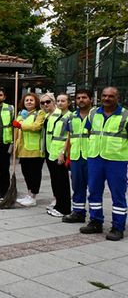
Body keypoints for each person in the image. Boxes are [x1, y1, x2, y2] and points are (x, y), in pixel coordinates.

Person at [80, 87, 128, 241]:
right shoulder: (93, 114)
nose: (107, 98)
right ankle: (95, 221)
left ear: (117, 97)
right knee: (93, 190)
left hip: (117, 160)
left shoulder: (125, 115)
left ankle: (118, 227)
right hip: (95, 158)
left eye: (111, 96)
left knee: (118, 194)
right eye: (104, 95)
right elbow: (88, 132)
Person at [62, 88, 93, 223]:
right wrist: (64, 153)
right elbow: (69, 136)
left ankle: (95, 216)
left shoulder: (96, 115)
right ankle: (78, 213)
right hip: (76, 157)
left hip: (92, 156)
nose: (81, 100)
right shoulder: (72, 116)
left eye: (84, 97)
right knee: (77, 186)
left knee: (93, 188)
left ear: (90, 99)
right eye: (79, 98)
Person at [12, 93, 46, 207]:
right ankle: (29, 193)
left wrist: (21, 125)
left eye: (31, 100)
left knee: (34, 174)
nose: (29, 102)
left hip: (35, 150)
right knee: (26, 173)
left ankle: (33, 196)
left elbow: (37, 127)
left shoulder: (40, 113)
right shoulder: (21, 115)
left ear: (36, 102)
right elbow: (16, 132)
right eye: (27, 100)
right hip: (23, 149)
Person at [44, 93, 72, 217]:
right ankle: (58, 205)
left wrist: (63, 153)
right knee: (56, 180)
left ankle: (64, 208)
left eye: (63, 101)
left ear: (69, 103)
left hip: (61, 152)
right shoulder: (57, 115)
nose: (60, 103)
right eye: (59, 101)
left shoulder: (70, 116)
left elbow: (69, 137)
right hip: (53, 151)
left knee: (62, 181)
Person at [40, 93, 58, 210]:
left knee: (58, 177)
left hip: (56, 151)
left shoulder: (58, 115)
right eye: (43, 103)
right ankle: (56, 198)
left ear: (53, 102)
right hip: (48, 149)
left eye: (48, 102)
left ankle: (59, 200)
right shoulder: (47, 116)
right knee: (53, 177)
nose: (45, 104)